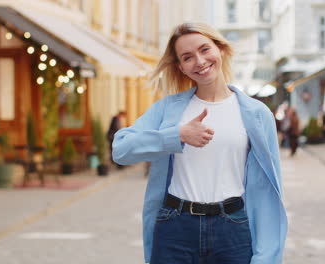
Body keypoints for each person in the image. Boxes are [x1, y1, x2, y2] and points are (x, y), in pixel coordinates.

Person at [112, 23, 287, 264]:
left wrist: (266, 257)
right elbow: (121, 149)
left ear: (221, 49)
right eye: (187, 57)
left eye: (205, 49)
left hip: (233, 227)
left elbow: (269, 190)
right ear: (181, 67)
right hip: (175, 227)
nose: (199, 61)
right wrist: (178, 135)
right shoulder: (168, 109)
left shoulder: (257, 114)